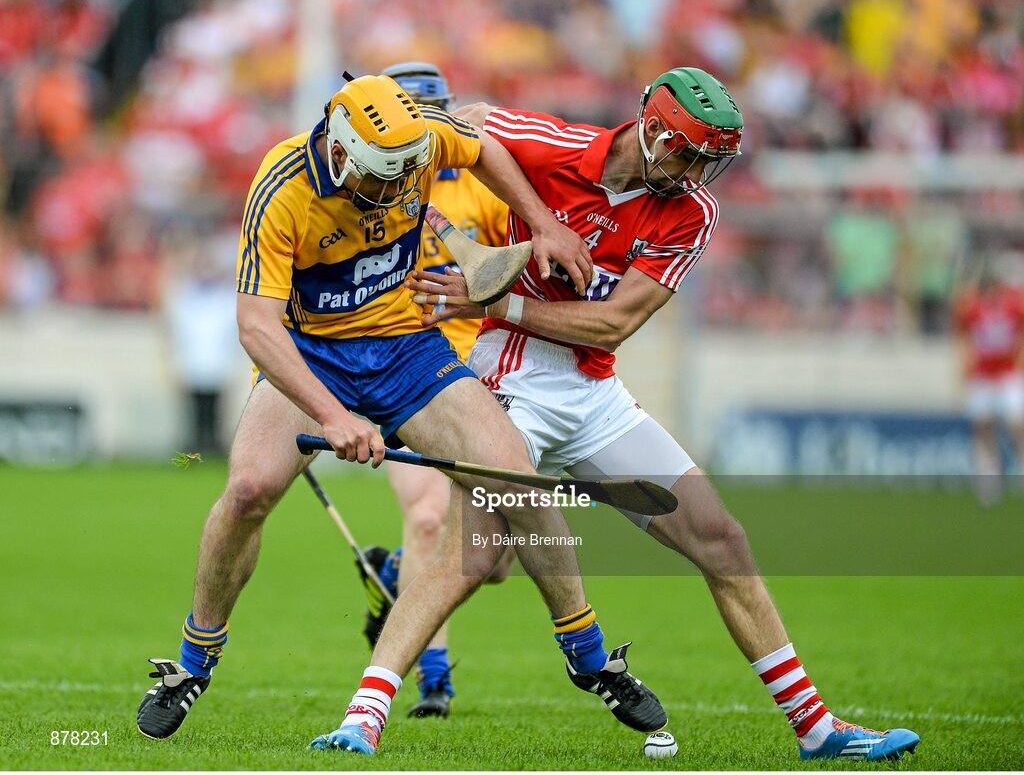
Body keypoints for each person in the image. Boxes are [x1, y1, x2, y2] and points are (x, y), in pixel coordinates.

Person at [136, 73, 667, 750]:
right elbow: (257, 327)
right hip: (312, 351)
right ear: (342, 150)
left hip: (407, 345)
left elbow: (480, 148)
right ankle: (192, 664)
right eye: (382, 181)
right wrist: (331, 415)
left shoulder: (415, 140)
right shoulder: (283, 186)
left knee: (514, 479)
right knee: (247, 491)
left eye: (404, 179)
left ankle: (589, 655)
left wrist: (546, 225)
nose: (396, 194)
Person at [407, 66, 921, 762]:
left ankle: (817, 728)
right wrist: (542, 221)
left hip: (593, 393)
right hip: (510, 373)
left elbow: (612, 326)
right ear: (651, 131)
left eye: (714, 162)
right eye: (692, 155)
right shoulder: (557, 144)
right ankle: (367, 711)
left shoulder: (692, 213)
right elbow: (469, 117)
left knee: (722, 539)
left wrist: (495, 302)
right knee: (478, 557)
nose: (700, 175)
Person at [355, 62, 513, 719]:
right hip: (409, 369)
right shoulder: (369, 191)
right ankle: (434, 678)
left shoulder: (486, 188)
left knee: (496, 557)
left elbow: (514, 271)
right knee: (427, 519)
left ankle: (389, 577)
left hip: (484, 368)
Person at [954, 266, 1024, 505]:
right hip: (983, 376)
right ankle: (989, 480)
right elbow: (965, 340)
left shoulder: (1014, 307)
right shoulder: (973, 309)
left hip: (1008, 374)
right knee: (983, 429)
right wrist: (963, 374)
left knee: (1017, 424)